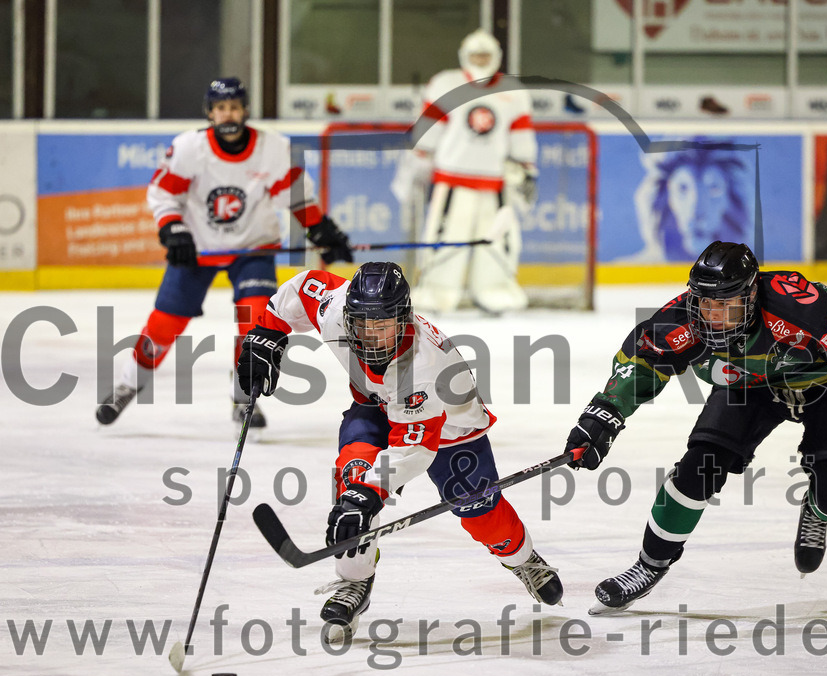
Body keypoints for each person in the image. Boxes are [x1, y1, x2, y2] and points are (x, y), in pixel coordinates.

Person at [565, 241, 827, 615]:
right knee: (699, 467)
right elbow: (641, 362)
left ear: (751, 297)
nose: (713, 317)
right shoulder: (682, 322)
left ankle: (817, 510)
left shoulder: (800, 311)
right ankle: (649, 566)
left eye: (726, 306)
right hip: (749, 386)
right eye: (704, 304)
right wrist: (603, 414)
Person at [236, 261, 562, 641]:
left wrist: (371, 492)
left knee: (479, 512)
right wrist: (264, 334)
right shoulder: (335, 308)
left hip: (450, 428)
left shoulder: (423, 364)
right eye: (363, 325)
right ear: (348, 315)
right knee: (352, 482)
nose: (372, 335)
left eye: (383, 326)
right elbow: (300, 288)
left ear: (404, 319)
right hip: (375, 406)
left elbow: (413, 449)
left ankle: (523, 560)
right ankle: (353, 581)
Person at [96, 77, 352, 429]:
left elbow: (295, 196)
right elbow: (163, 193)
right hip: (198, 248)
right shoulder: (189, 148)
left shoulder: (272, 148)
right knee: (164, 324)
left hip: (252, 248)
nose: (227, 114)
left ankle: (243, 397)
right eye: (220, 108)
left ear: (245, 110)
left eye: (234, 107)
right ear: (210, 113)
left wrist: (320, 229)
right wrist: (173, 229)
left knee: (255, 322)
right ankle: (128, 384)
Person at [390, 28, 537, 315]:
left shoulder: (513, 92)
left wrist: (526, 167)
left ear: (497, 56)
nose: (481, 60)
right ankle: (436, 291)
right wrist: (416, 165)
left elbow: (521, 138)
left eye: (486, 55)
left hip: (495, 184)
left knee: (497, 242)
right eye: (475, 55)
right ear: (464, 56)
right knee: (444, 238)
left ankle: (494, 290)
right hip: (451, 181)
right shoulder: (446, 83)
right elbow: (428, 133)